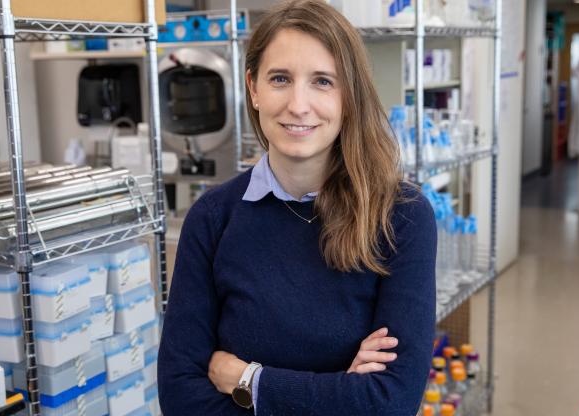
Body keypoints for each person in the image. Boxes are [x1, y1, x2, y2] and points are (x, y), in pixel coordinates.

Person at [158, 0, 437, 414]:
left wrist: (249, 381)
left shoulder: (401, 216)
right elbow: (180, 394)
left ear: (349, 95)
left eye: (323, 81)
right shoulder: (214, 218)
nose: (298, 105)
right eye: (280, 79)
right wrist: (339, 391)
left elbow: (391, 401)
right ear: (253, 88)